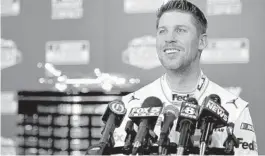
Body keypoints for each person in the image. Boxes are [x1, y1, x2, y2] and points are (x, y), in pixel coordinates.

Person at [113, 0, 258, 155]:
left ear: (201, 42)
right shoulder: (130, 105)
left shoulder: (234, 110)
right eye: (162, 31)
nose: (169, 38)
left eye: (180, 30)